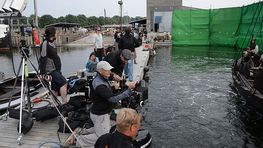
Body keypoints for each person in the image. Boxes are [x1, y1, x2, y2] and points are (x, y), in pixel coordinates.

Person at [66, 61, 136, 147]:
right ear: (101, 71)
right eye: (108, 70)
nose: (110, 72)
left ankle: (81, 131)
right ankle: (78, 140)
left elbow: (106, 94)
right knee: (102, 136)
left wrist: (114, 87)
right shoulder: (99, 84)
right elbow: (113, 99)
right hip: (100, 114)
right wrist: (128, 90)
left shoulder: (101, 79)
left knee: (101, 128)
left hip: (100, 112)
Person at [39, 27, 67, 104]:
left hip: (56, 69)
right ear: (52, 34)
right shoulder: (45, 44)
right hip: (51, 70)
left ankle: (54, 105)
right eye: (55, 33)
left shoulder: (51, 43)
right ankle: (65, 103)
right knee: (63, 83)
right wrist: (42, 73)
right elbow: (43, 58)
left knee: (54, 88)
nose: (56, 34)